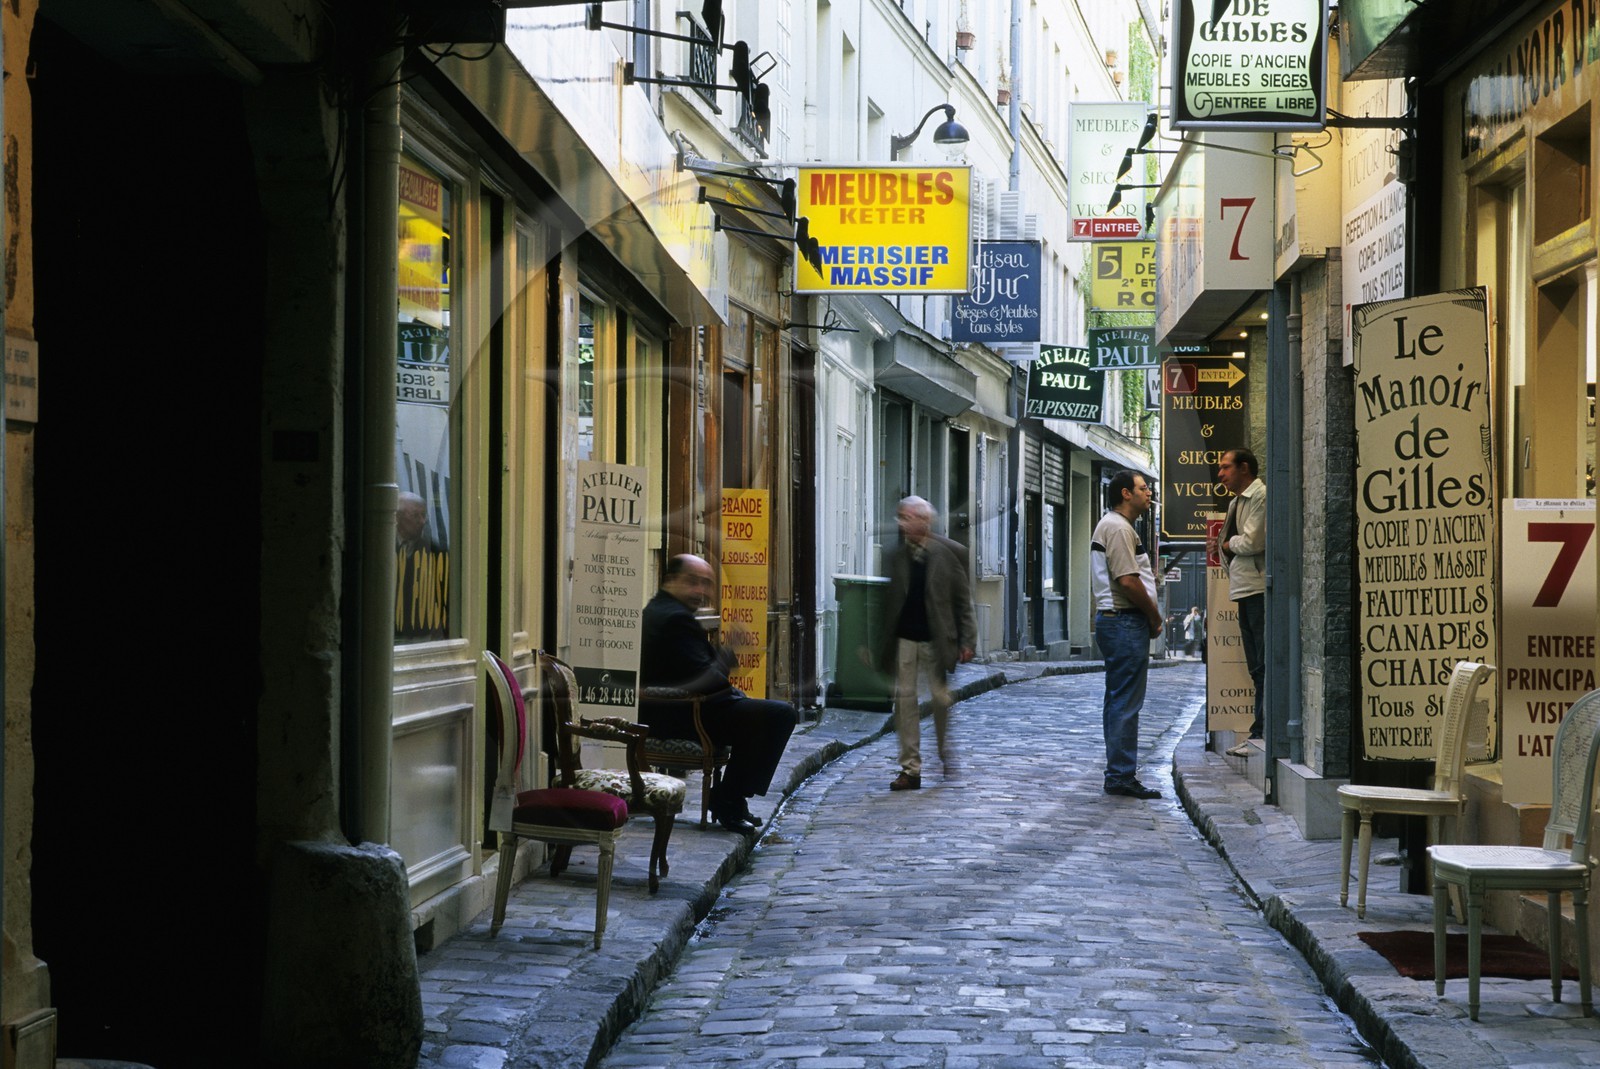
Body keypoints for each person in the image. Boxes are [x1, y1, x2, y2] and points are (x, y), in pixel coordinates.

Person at [639, 554, 797, 833]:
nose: (700, 591)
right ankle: (728, 798)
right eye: (692, 582)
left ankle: (731, 798)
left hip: (689, 709)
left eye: (706, 584)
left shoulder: (664, 610)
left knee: (762, 716)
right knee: (780, 715)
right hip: (686, 715)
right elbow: (708, 681)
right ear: (670, 580)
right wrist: (728, 653)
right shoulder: (675, 619)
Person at [877, 495, 978, 791]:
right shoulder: (895, 556)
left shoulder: (949, 553)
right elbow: (887, 604)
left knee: (940, 701)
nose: (905, 523)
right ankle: (911, 770)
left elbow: (963, 601)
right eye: (902, 517)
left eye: (911, 518)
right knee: (905, 703)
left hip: (937, 639)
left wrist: (967, 639)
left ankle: (944, 754)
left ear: (926, 520)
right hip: (905, 639)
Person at [1090, 471, 1164, 799]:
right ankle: (1121, 775)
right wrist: (1154, 616)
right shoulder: (1118, 528)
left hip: (1115, 621)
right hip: (1124, 621)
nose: (1149, 493)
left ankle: (1118, 772)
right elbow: (1128, 581)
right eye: (1143, 488)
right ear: (1125, 493)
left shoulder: (1116, 526)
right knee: (1126, 702)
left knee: (1118, 699)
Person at [1210, 448, 1267, 757]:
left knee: (1262, 664)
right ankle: (1258, 731)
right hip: (1243, 588)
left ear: (1244, 468)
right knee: (1256, 665)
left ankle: (1261, 732)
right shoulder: (1235, 502)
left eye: (1226, 467)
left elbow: (1253, 542)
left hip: (1258, 588)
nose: (1221, 474)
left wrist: (1229, 543)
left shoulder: (1260, 496)